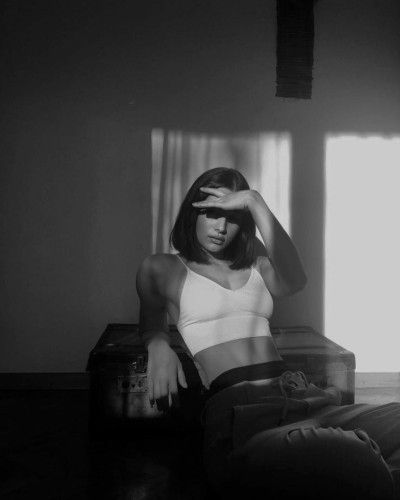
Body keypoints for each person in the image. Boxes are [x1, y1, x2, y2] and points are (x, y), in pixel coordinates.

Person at [136, 167, 400, 500]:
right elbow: (151, 323)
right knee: (356, 455)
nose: (220, 227)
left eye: (233, 216)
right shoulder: (162, 267)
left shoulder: (257, 262)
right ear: (193, 212)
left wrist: (255, 202)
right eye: (212, 214)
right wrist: (157, 343)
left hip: (300, 394)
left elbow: (296, 280)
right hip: (241, 414)